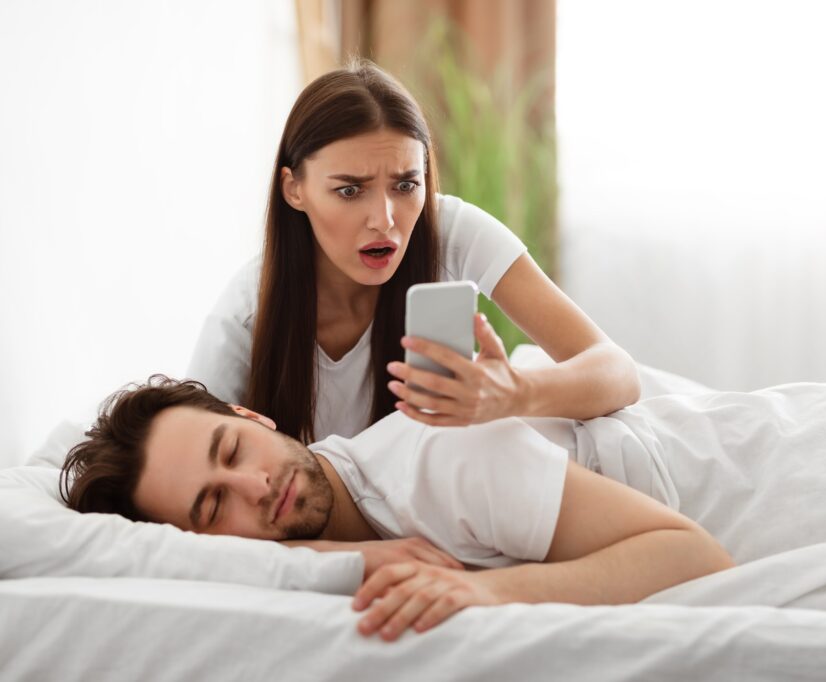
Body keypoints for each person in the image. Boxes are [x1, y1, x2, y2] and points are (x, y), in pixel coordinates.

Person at [60, 376, 735, 642]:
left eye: (234, 450)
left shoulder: (440, 458)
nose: (257, 488)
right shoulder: (329, 539)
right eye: (212, 507)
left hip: (743, 463)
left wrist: (484, 592)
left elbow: (696, 556)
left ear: (252, 416)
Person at [186, 60, 641, 445]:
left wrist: (512, 392)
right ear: (294, 189)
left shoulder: (450, 230)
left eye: (405, 185)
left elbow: (618, 372)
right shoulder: (244, 318)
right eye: (349, 191)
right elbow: (192, 473)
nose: (384, 219)